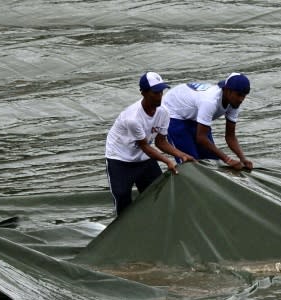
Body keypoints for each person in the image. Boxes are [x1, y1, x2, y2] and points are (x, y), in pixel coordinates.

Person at [105, 72, 194, 215]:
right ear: (144, 93)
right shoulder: (133, 118)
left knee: (157, 192)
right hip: (120, 158)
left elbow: (160, 142)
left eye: (161, 92)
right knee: (122, 197)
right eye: (155, 93)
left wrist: (181, 155)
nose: (160, 96)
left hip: (144, 158)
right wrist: (168, 161)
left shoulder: (163, 112)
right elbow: (145, 146)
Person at [162, 72, 253, 171]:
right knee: (190, 164)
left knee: (212, 162)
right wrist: (228, 159)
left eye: (244, 96)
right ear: (227, 90)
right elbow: (201, 138)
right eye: (239, 95)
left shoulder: (234, 103)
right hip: (173, 112)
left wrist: (243, 159)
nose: (241, 99)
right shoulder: (210, 101)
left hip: (193, 112)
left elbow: (230, 137)